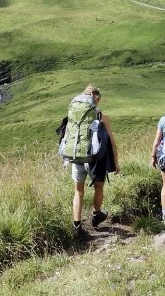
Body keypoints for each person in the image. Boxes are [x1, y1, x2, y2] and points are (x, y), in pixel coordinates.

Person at [62, 84, 118, 238]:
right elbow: (111, 142)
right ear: (96, 98)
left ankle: (77, 227)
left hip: (76, 155)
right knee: (98, 187)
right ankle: (96, 215)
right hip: (94, 158)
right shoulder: (101, 116)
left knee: (78, 191)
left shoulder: (73, 115)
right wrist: (116, 162)